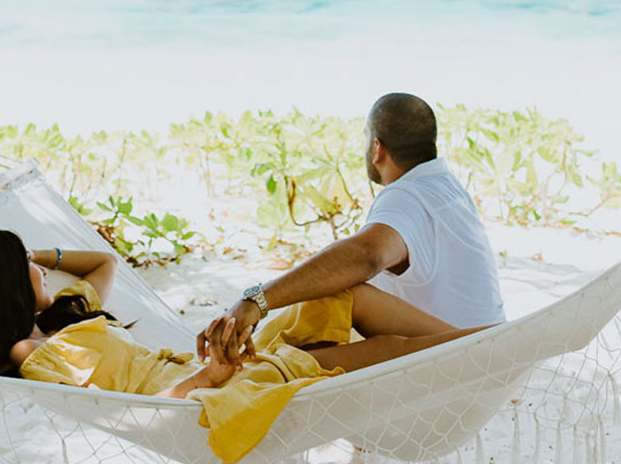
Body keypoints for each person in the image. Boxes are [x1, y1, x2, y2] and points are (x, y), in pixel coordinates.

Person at [0, 228, 488, 464]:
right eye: (22, 265)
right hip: (199, 399)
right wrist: (210, 378)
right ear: (5, 284)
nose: (35, 267)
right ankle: (491, 347)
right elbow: (134, 417)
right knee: (386, 348)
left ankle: (487, 346)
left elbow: (106, 262)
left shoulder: (67, 312)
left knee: (345, 290)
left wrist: (36, 252)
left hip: (208, 368)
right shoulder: (32, 355)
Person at [199, 92, 505, 367]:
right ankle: (262, 361)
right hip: (496, 353)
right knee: (323, 303)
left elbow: (367, 255)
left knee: (340, 291)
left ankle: (250, 366)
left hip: (461, 364)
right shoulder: (445, 188)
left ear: (376, 148)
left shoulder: (405, 196)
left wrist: (257, 300)